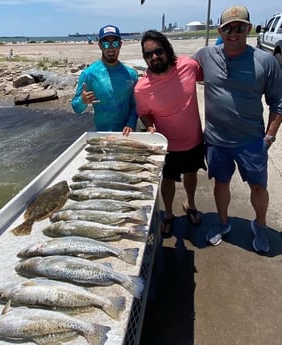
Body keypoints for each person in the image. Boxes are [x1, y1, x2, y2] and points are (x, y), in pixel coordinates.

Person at [193, 5, 282, 252]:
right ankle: (223, 223)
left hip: (252, 140)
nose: (233, 33)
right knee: (220, 183)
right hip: (216, 140)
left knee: (258, 187)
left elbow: (279, 101)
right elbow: (178, 73)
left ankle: (260, 225)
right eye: (228, 28)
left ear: (249, 29)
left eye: (239, 28)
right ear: (220, 30)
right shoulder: (206, 55)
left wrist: (269, 137)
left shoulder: (265, 61)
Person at [134, 30, 206, 235]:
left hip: (193, 140)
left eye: (158, 51)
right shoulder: (141, 88)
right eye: (148, 54)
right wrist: (149, 126)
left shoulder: (188, 66)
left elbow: (215, 75)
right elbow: (143, 113)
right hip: (166, 145)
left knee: (191, 174)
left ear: (167, 49)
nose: (154, 57)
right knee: (167, 180)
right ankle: (168, 213)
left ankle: (191, 204)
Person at [71, 24, 138, 136]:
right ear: (100, 46)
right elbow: (76, 108)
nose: (111, 48)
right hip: (102, 135)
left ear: (120, 45)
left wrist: (131, 124)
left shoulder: (131, 75)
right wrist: (83, 101)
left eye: (115, 43)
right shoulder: (89, 74)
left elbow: (135, 106)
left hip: (128, 135)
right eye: (106, 44)